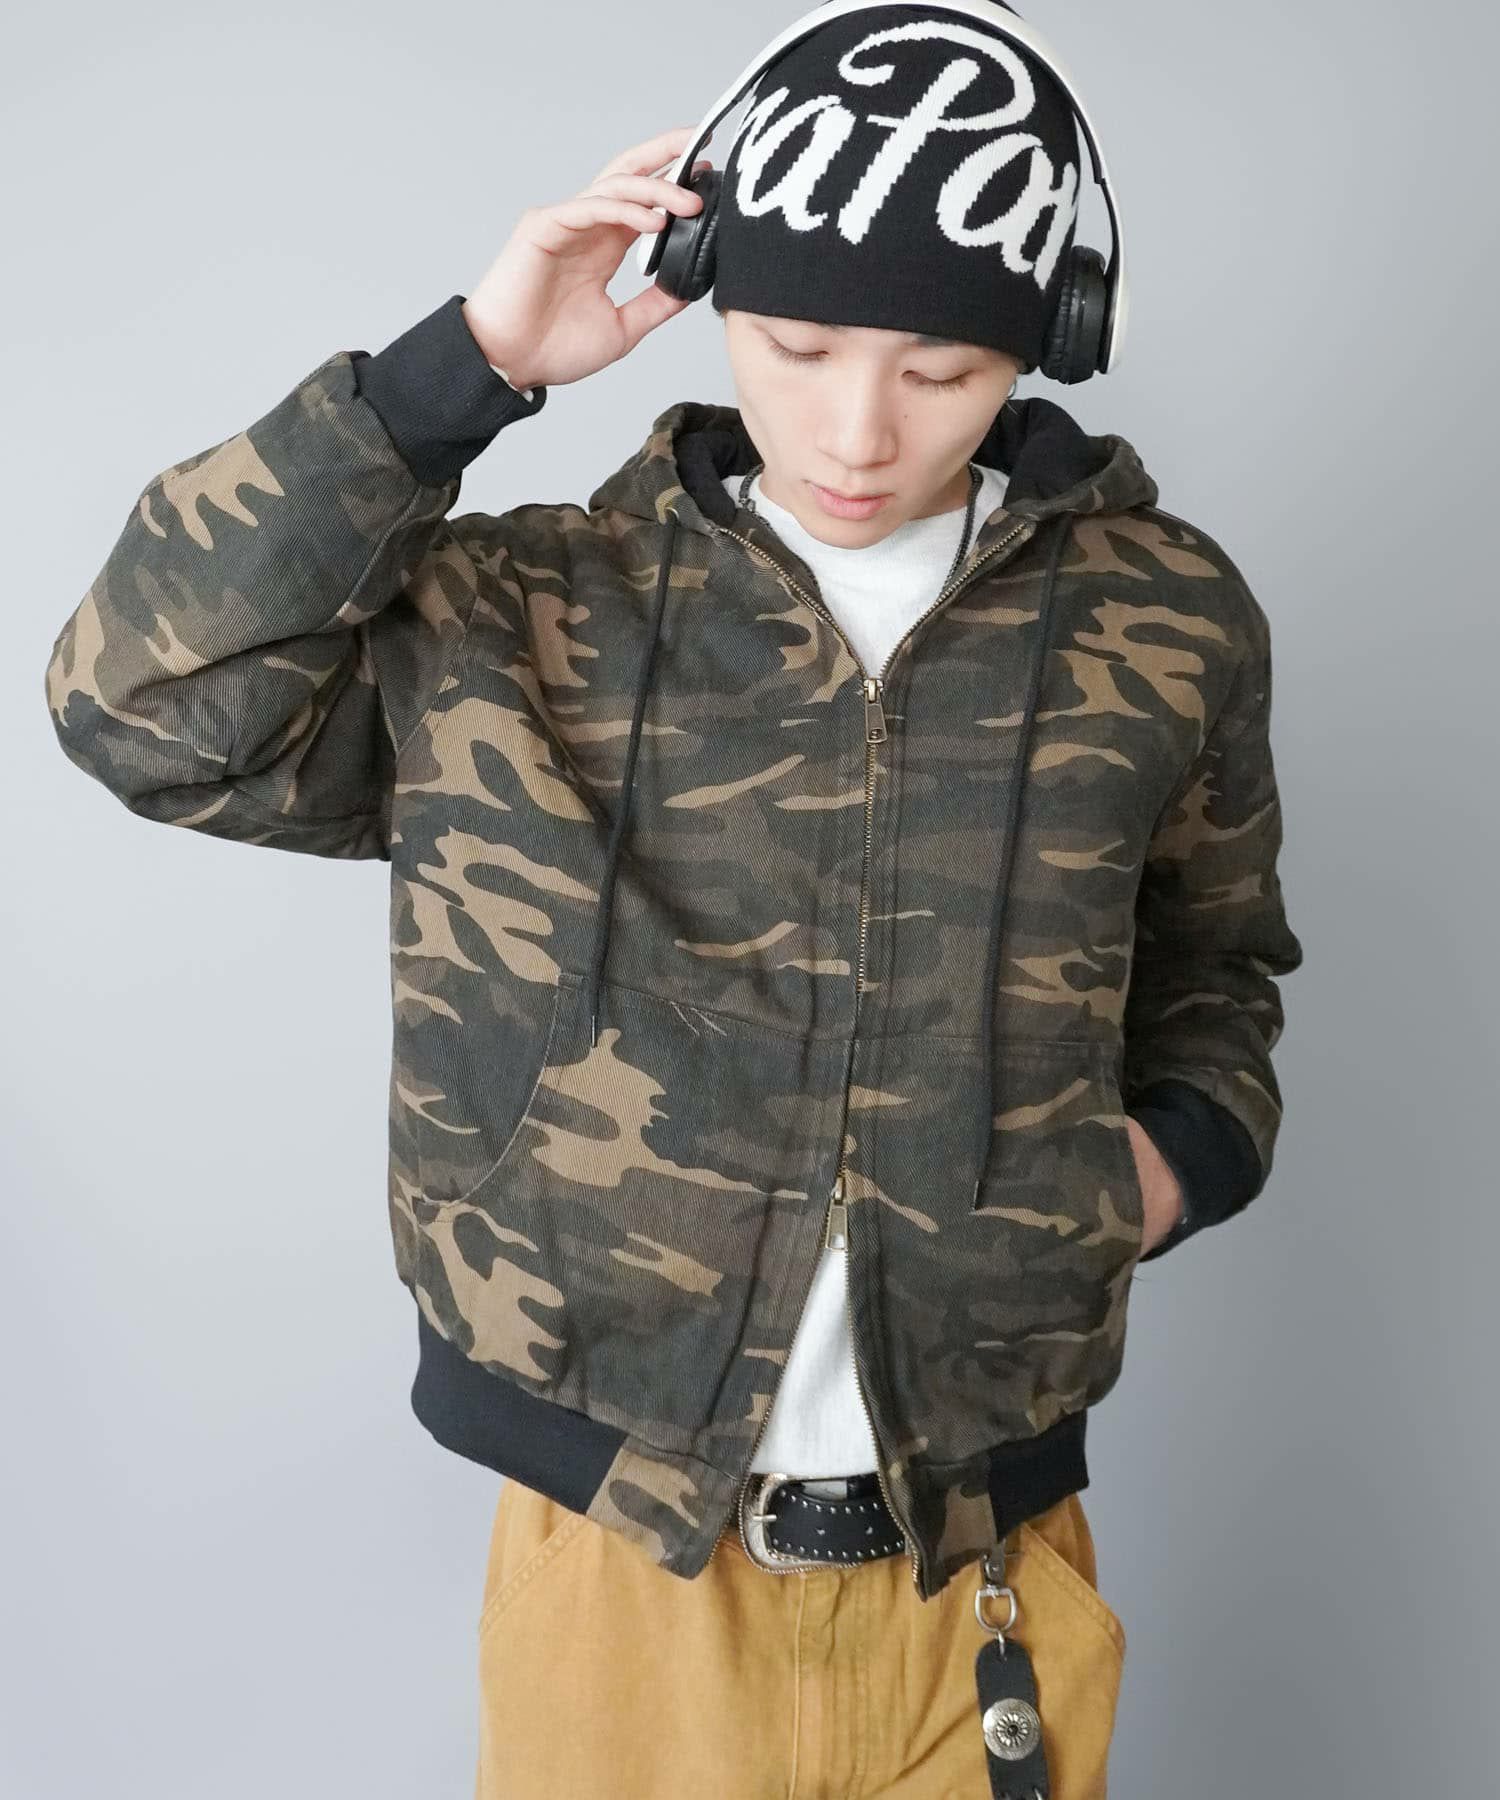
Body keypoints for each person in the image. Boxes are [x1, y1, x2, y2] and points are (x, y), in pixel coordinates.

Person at [44, 4, 1303, 1793]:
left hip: (989, 1571)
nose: (858, 427)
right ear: (709, 293)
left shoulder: (1165, 621)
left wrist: (1158, 1173)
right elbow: (139, 704)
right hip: (621, 1580)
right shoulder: (522, 612)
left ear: (1048, 342)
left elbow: (1217, 967)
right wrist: (467, 368)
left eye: (945, 371)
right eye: (797, 345)